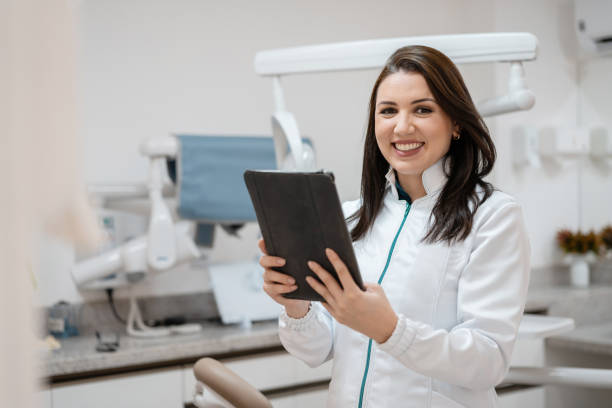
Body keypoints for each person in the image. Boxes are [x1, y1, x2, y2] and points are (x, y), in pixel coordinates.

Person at [259, 45, 530, 408]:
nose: (402, 126)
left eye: (423, 109)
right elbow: (316, 350)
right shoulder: (352, 217)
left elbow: (488, 361)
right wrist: (296, 303)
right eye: (388, 111)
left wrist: (390, 330)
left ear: (457, 124)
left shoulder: (492, 217)